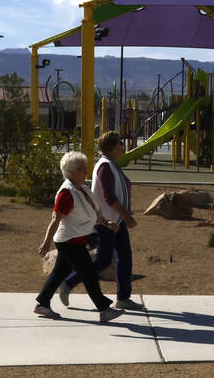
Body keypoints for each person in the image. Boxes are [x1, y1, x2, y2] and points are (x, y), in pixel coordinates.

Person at [35, 151, 123, 323]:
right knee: (89, 273)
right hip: (68, 241)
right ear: (71, 172)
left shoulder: (82, 189)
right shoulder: (66, 193)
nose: (86, 171)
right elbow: (55, 220)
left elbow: (94, 212)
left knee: (60, 272)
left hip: (76, 239)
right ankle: (104, 309)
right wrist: (46, 243)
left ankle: (42, 303)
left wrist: (107, 223)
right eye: (82, 169)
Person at [59, 130, 143, 310]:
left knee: (124, 257)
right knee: (104, 260)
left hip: (116, 221)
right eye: (120, 144)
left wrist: (124, 216)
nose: (123, 147)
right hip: (105, 222)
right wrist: (127, 216)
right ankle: (69, 283)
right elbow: (108, 197)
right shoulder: (105, 166)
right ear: (111, 147)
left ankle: (123, 298)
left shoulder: (112, 164)